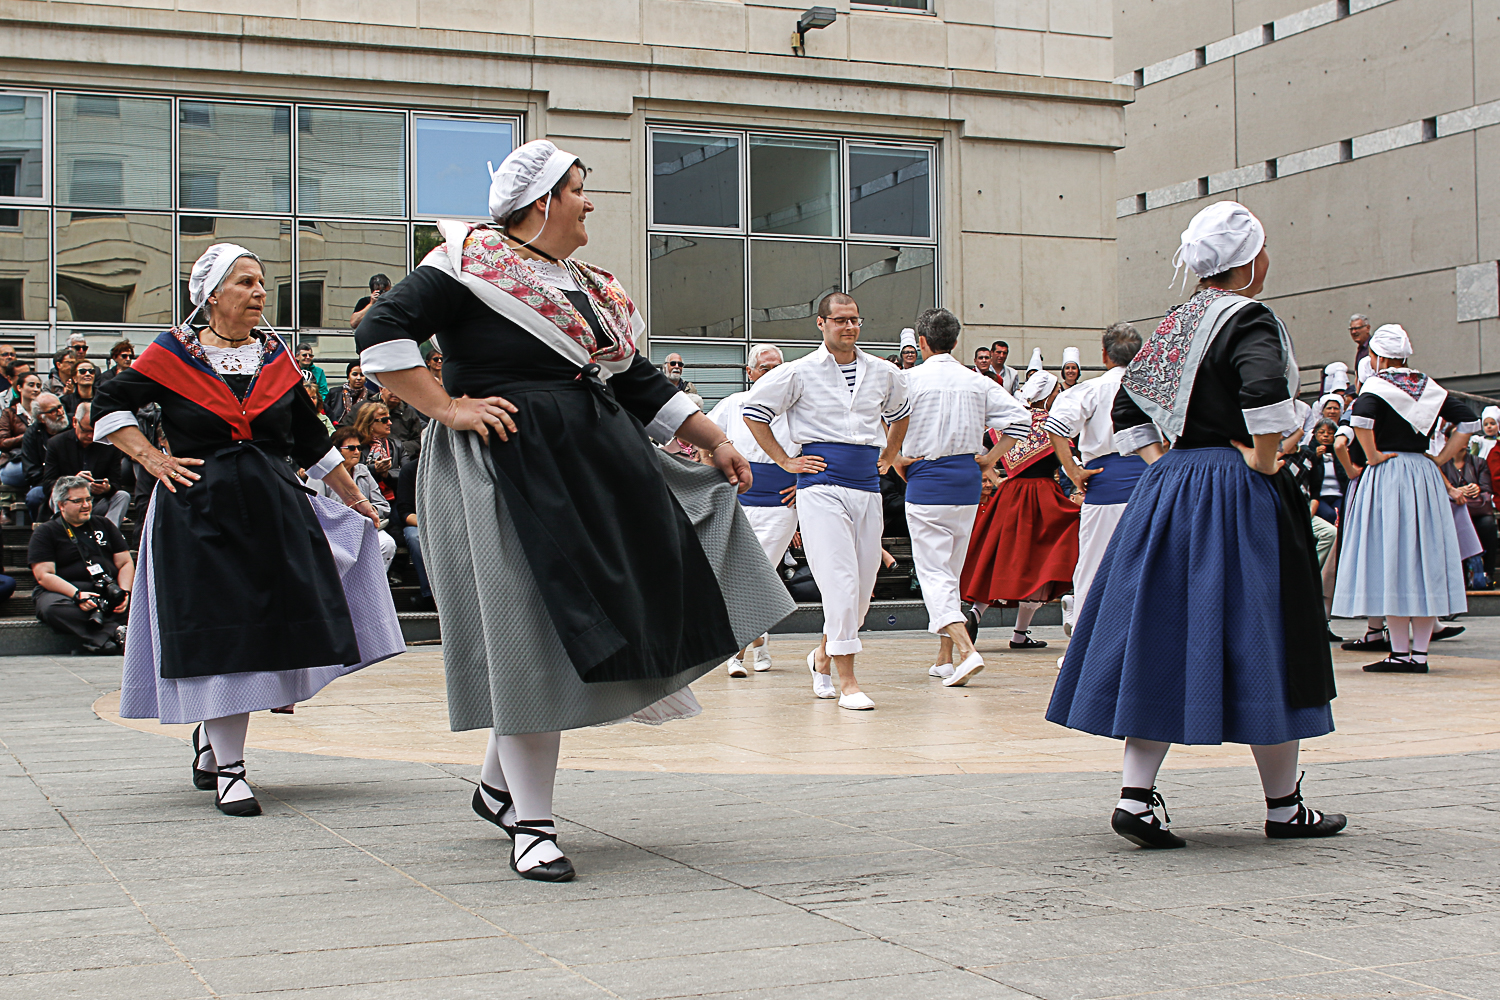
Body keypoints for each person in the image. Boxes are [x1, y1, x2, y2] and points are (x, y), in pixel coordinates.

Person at [355, 139, 792, 880]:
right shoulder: (466, 263)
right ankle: (532, 822)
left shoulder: (584, 284)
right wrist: (448, 408)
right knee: (531, 626)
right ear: (545, 201)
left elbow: (636, 381)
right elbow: (378, 333)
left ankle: (500, 787)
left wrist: (713, 439)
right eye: (580, 189)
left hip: (592, 463)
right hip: (507, 465)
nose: (590, 203)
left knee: (577, 622)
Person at [1049, 200, 1344, 849]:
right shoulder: (1249, 317)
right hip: (1237, 493)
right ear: (1250, 260)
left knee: (1159, 628)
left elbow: (1128, 403)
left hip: (1171, 487)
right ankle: (1283, 805)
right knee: (1268, 634)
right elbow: (1265, 395)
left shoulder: (1176, 324)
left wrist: (1164, 460)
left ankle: (1136, 796)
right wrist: (1262, 460)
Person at [94, 242, 403, 818]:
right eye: (245, 282)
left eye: (261, 282)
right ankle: (231, 768)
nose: (260, 292)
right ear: (211, 295)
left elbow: (311, 441)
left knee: (264, 631)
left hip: (270, 510)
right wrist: (154, 460)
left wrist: (355, 497)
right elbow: (111, 406)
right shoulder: (172, 355)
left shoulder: (273, 358)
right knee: (222, 631)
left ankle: (216, 747)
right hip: (199, 512)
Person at [744, 291, 909, 711]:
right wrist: (785, 460)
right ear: (821, 323)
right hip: (820, 484)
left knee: (864, 586)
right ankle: (848, 679)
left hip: (866, 485)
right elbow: (754, 410)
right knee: (839, 580)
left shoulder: (882, 371)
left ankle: (821, 656)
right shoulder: (799, 372)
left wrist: (889, 455)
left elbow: (901, 411)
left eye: (854, 319)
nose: (849, 327)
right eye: (840, 320)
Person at [1332, 324, 1478, 671]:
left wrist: (1372, 456)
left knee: (1392, 559)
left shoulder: (1377, 384)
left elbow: (1362, 420)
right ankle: (1420, 654)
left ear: (1378, 356)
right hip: (1424, 476)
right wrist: (1440, 460)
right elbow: (1469, 422)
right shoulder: (1427, 385)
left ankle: (1399, 652)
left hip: (1389, 474)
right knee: (1424, 559)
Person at [895, 307, 1029, 687]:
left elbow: (879, 422)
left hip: (928, 480)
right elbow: (1022, 421)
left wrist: (895, 459)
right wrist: (989, 458)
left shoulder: (909, 379)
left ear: (921, 343)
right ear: (955, 343)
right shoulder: (977, 381)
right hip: (965, 483)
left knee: (935, 573)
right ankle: (944, 658)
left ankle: (966, 650)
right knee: (949, 572)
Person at [961, 369, 1079, 649]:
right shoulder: (1052, 424)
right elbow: (1068, 460)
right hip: (1042, 496)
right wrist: (1079, 487)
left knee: (999, 557)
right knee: (1037, 562)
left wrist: (996, 477)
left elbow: (980, 453)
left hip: (1010, 494)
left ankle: (976, 612)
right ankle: (1019, 632)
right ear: (1049, 394)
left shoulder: (1010, 422)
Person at [1044, 322, 1146, 637]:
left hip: (1106, 485)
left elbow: (1055, 427)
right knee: (1147, 563)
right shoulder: (1153, 390)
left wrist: (1072, 470)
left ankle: (1084, 635)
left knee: (1093, 564)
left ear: (1104, 355)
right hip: (1150, 484)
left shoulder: (1092, 389)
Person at [706, 343, 798, 677]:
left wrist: (803, 485)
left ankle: (736, 653)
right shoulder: (733, 404)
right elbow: (706, 441)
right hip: (739, 502)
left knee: (759, 575)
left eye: (778, 368)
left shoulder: (796, 408)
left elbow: (818, 450)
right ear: (750, 372)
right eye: (765, 368)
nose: (772, 374)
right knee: (738, 576)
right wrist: (715, 485)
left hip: (780, 505)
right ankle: (758, 639)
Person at [29, 475, 133, 653]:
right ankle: (115, 632)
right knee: (52, 608)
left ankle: (103, 641)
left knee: (145, 604)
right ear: (61, 504)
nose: (86, 505)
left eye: (88, 499)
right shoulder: (45, 532)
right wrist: (78, 595)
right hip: (67, 593)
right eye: (78, 501)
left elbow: (125, 563)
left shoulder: (104, 524)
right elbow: (44, 575)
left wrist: (124, 592)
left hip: (107, 590)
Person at [313, 429, 397, 570]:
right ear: (337, 450)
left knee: (387, 543)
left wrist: (371, 511)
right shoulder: (321, 473)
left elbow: (383, 505)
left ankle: (372, 587)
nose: (357, 452)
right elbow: (315, 509)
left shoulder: (363, 470)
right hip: (334, 530)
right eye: (351, 448)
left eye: (359, 448)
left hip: (365, 526)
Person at [42, 402, 129, 525]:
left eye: (95, 431)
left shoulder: (109, 445)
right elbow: (48, 484)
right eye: (86, 430)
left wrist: (106, 488)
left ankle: (108, 533)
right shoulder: (56, 444)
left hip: (97, 502)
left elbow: (116, 483)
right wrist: (72, 482)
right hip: (69, 501)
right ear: (74, 422)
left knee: (123, 496)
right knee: (56, 494)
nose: (91, 436)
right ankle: (65, 529)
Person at [1442, 445, 1496, 588]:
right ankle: (1458, 575)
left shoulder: (1479, 462)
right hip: (1452, 511)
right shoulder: (1441, 464)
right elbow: (1437, 488)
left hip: (1475, 509)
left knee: (1488, 524)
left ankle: (1487, 573)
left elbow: (1487, 488)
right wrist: (1455, 490)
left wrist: (1476, 488)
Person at [20, 393, 70, 521]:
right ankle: (40, 530)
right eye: (53, 410)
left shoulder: (73, 427)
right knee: (33, 496)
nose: (60, 412)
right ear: (41, 418)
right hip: (46, 483)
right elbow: (31, 471)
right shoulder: (32, 434)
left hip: (75, 480)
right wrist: (52, 481)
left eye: (60, 407)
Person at [394, 455, 433, 609]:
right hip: (419, 523)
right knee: (414, 537)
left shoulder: (457, 467)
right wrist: (430, 524)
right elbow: (405, 512)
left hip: (453, 523)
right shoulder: (410, 470)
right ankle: (429, 594)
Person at [1300, 417, 1348, 524]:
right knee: (1329, 515)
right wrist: (1315, 457)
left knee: (1342, 515)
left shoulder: (1341, 452)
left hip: (1338, 494)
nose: (1325, 435)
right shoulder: (1307, 452)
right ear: (1315, 434)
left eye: (1330, 433)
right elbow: (1306, 475)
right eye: (1321, 432)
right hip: (1319, 496)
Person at [352, 402, 401, 504]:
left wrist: (386, 475)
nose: (389, 423)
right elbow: (351, 471)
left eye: (389, 419)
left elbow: (405, 473)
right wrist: (374, 469)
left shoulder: (396, 445)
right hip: (363, 499)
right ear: (369, 423)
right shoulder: (356, 446)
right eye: (384, 420)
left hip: (395, 498)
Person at [0, 371, 40, 490]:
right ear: (19, 388)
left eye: (38, 386)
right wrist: (27, 436)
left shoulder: (43, 414)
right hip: (16, 460)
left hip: (39, 460)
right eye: (31, 385)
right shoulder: (9, 413)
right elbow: (3, 443)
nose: (36, 389)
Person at [381, 385, 428, 463]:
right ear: (381, 389)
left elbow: (418, 441)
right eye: (391, 389)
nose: (395, 393)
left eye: (399, 389)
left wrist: (398, 449)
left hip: (404, 458)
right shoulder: (368, 409)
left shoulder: (410, 413)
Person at [325, 361, 373, 426]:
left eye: (362, 375)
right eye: (354, 374)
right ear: (348, 376)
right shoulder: (335, 393)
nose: (358, 378)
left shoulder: (371, 396)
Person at [1349, 313, 1371, 379]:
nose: (1353, 332)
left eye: (1357, 328)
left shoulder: (1373, 347)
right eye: (1351, 329)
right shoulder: (1361, 348)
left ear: (1368, 328)